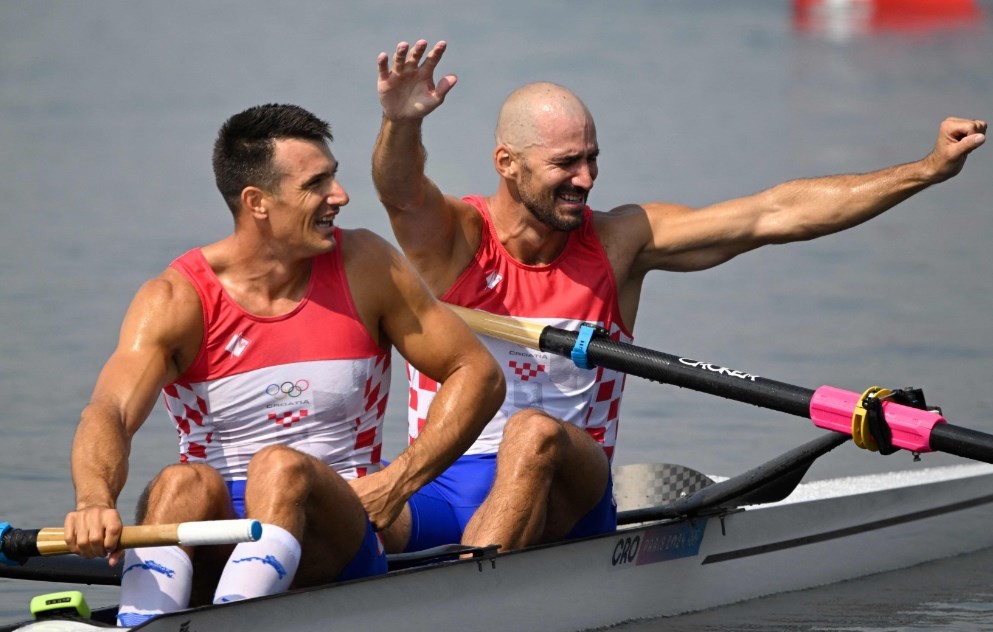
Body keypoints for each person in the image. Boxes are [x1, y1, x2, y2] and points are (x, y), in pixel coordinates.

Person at [371, 39, 987, 554]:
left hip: (566, 487)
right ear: (507, 163)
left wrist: (925, 169)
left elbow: (773, 215)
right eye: (566, 163)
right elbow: (401, 191)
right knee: (306, 490)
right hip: (438, 488)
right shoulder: (458, 241)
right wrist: (401, 122)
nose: (586, 179)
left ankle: (473, 600)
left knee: (532, 433)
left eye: (592, 159)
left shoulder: (619, 243)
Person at [62, 103, 505, 626]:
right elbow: (108, 411)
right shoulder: (174, 299)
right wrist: (94, 500)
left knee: (280, 467)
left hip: (338, 529)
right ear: (258, 203)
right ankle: (141, 620)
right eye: (317, 184)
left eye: (334, 177)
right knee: (182, 484)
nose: (339, 196)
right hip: (217, 534)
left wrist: (400, 481)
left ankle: (231, 619)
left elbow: (477, 372)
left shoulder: (367, 266)